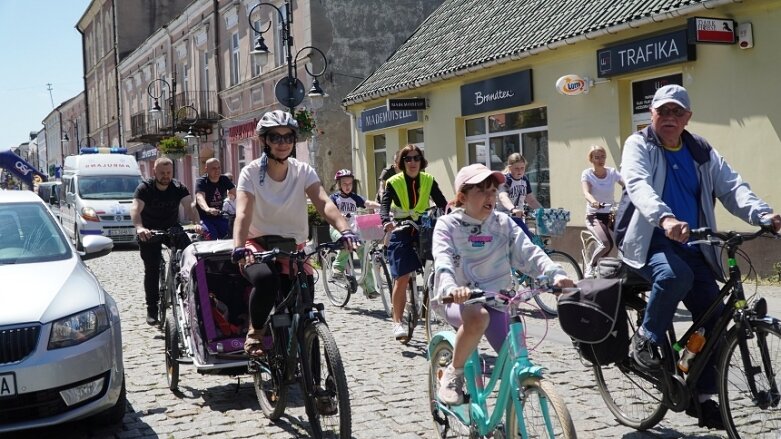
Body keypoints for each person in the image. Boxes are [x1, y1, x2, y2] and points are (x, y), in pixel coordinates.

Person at [616, 84, 781, 430]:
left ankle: (704, 398)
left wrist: (763, 215)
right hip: (649, 239)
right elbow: (637, 183)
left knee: (715, 317)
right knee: (676, 277)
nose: (670, 118)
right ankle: (645, 339)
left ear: (688, 117)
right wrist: (665, 218)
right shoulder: (639, 144)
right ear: (653, 114)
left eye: (678, 112)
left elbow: (733, 187)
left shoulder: (702, 151)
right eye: (664, 111)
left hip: (694, 243)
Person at [432, 163, 575, 405]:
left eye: (493, 191)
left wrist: (555, 274)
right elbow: (443, 259)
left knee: (517, 364)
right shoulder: (448, 225)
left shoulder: (503, 223)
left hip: (499, 300)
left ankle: (514, 424)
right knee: (478, 316)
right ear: (462, 197)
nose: (490, 197)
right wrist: (450, 288)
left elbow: (529, 252)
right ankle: (453, 374)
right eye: (481, 191)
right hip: (458, 300)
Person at [230, 110, 357, 356]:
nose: (282, 143)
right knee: (266, 281)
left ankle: (316, 381)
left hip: (293, 248)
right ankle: (255, 333)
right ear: (264, 140)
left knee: (307, 308)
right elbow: (243, 213)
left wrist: (345, 230)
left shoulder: (303, 171)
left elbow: (324, 203)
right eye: (275, 137)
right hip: (256, 245)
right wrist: (239, 246)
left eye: (288, 137)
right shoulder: (252, 172)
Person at [379, 144, 448, 342]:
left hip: (424, 228)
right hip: (401, 228)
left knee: (444, 263)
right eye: (407, 158)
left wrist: (453, 216)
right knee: (402, 277)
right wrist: (386, 222)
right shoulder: (393, 182)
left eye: (416, 158)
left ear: (421, 161)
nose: (412, 162)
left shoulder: (428, 180)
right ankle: (397, 322)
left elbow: (442, 204)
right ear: (402, 162)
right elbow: (384, 207)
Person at [131, 157, 202, 325]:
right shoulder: (144, 188)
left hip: (172, 229)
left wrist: (198, 223)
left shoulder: (178, 187)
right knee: (152, 268)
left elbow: (189, 205)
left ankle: (191, 297)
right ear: (154, 172)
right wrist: (140, 228)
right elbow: (135, 208)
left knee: (191, 258)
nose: (165, 176)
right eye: (162, 173)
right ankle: (152, 308)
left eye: (168, 172)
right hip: (149, 231)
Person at [329, 169, 381, 298]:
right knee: (347, 242)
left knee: (364, 254)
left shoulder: (354, 197)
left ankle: (369, 289)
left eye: (350, 183)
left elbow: (367, 203)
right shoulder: (334, 198)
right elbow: (329, 210)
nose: (347, 186)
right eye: (344, 183)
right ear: (339, 184)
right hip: (337, 230)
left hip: (352, 231)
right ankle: (337, 269)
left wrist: (381, 206)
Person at [581, 145, 624, 278]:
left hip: (610, 215)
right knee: (606, 244)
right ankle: (591, 266)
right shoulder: (587, 174)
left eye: (603, 157)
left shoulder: (611, 172)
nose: (601, 160)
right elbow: (586, 192)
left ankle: (624, 268)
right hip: (594, 216)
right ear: (591, 159)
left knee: (626, 239)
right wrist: (593, 201)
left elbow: (626, 184)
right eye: (597, 157)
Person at [496, 153, 541, 238]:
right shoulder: (506, 179)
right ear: (510, 168)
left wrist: (543, 211)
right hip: (504, 218)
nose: (520, 171)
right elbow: (503, 196)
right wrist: (513, 209)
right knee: (527, 239)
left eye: (522, 168)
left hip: (517, 219)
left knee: (527, 240)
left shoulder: (524, 180)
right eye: (516, 168)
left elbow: (531, 199)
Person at [195, 158, 236, 240]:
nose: (217, 171)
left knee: (229, 235)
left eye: (218, 168)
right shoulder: (201, 181)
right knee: (210, 235)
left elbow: (237, 193)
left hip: (220, 216)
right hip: (204, 217)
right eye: (213, 168)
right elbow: (200, 197)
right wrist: (207, 209)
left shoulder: (224, 179)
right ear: (206, 169)